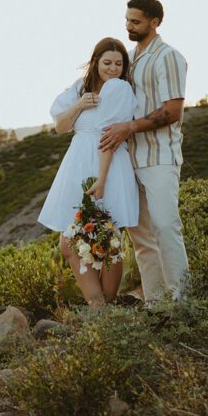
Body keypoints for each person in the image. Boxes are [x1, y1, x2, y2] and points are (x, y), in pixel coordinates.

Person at [99, 0, 189, 302]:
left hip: (159, 157)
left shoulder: (169, 57)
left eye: (135, 22)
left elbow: (173, 110)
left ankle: (181, 304)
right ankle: (157, 305)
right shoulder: (130, 58)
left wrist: (130, 127)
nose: (129, 26)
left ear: (155, 22)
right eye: (126, 20)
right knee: (141, 238)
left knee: (165, 227)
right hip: (129, 159)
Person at [38, 37, 138, 308]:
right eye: (107, 62)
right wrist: (80, 104)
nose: (113, 68)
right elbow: (60, 125)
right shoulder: (80, 88)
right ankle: (99, 306)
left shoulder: (119, 89)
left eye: (119, 63)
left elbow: (109, 137)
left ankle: (104, 306)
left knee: (109, 240)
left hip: (108, 166)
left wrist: (103, 180)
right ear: (95, 62)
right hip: (78, 166)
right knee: (70, 244)